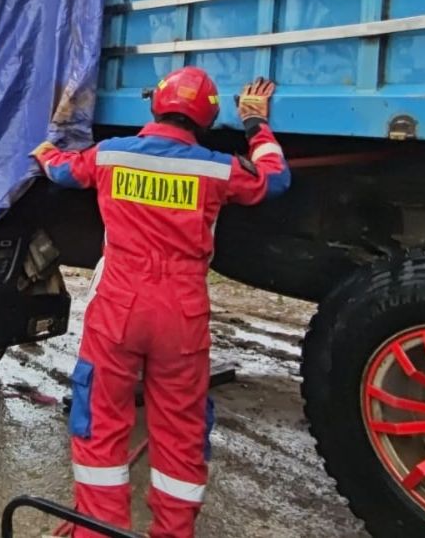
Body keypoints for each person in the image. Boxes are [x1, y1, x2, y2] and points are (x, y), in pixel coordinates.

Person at [32, 69, 290, 538]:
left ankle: (97, 531)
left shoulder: (110, 154)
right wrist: (255, 124)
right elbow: (274, 181)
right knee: (180, 430)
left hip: (118, 307)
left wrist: (45, 151)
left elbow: (62, 170)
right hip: (182, 313)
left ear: (156, 107)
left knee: (101, 421)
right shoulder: (217, 168)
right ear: (206, 118)